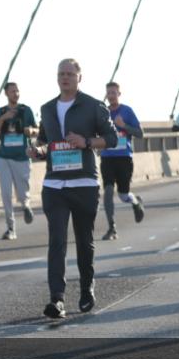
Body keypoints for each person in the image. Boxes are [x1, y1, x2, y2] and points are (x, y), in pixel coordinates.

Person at [28, 58, 117, 317]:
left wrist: (86, 141)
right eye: (61, 74)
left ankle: (87, 289)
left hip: (84, 184)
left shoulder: (93, 106)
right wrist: (38, 150)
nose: (65, 77)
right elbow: (46, 141)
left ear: (80, 77)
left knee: (83, 241)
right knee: (56, 241)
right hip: (54, 184)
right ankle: (57, 299)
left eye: (69, 73)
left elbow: (111, 139)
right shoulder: (46, 109)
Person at [0, 82, 38, 240]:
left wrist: (31, 131)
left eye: (17, 91)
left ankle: (26, 206)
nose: (15, 94)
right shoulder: (0, 112)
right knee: (6, 193)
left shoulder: (26, 110)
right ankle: (11, 228)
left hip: (22, 157)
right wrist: (3, 118)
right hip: (4, 158)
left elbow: (38, 131)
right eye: (12, 91)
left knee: (23, 191)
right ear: (6, 94)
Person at [100, 81, 146, 241]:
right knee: (107, 191)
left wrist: (123, 125)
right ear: (106, 95)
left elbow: (140, 133)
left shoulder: (126, 111)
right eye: (109, 93)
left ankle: (135, 201)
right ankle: (111, 227)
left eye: (114, 93)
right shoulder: (102, 112)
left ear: (119, 94)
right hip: (107, 158)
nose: (111, 96)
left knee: (123, 194)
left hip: (124, 158)